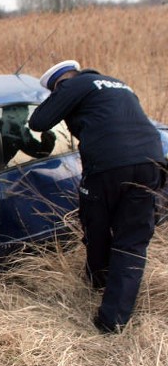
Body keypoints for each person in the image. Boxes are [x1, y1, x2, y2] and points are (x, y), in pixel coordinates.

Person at [29, 60, 166, 333]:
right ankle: (112, 320)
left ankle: (98, 282)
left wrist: (59, 98)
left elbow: (39, 121)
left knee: (96, 225)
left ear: (58, 83)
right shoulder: (117, 84)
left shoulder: (72, 85)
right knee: (132, 242)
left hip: (108, 166)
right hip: (151, 162)